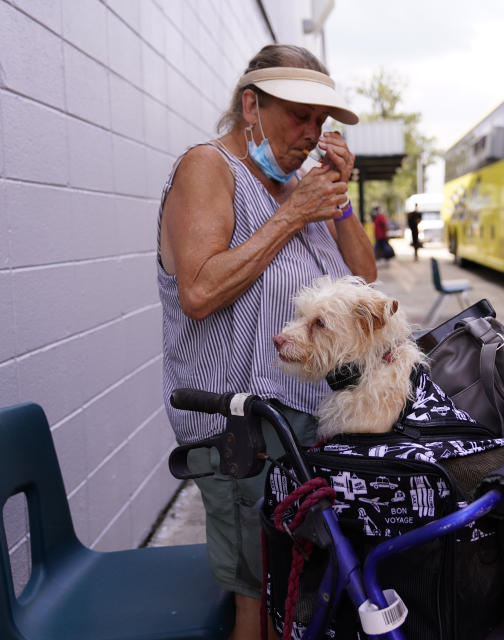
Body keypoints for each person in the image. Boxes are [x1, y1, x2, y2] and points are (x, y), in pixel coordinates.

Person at [156, 44, 375, 640]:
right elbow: (198, 292)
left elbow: (363, 284)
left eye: (320, 123)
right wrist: (290, 217)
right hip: (240, 433)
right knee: (259, 603)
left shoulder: (296, 186)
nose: (311, 134)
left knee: (298, 591)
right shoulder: (208, 168)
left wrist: (336, 195)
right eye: (297, 116)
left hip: (301, 425)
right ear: (250, 104)